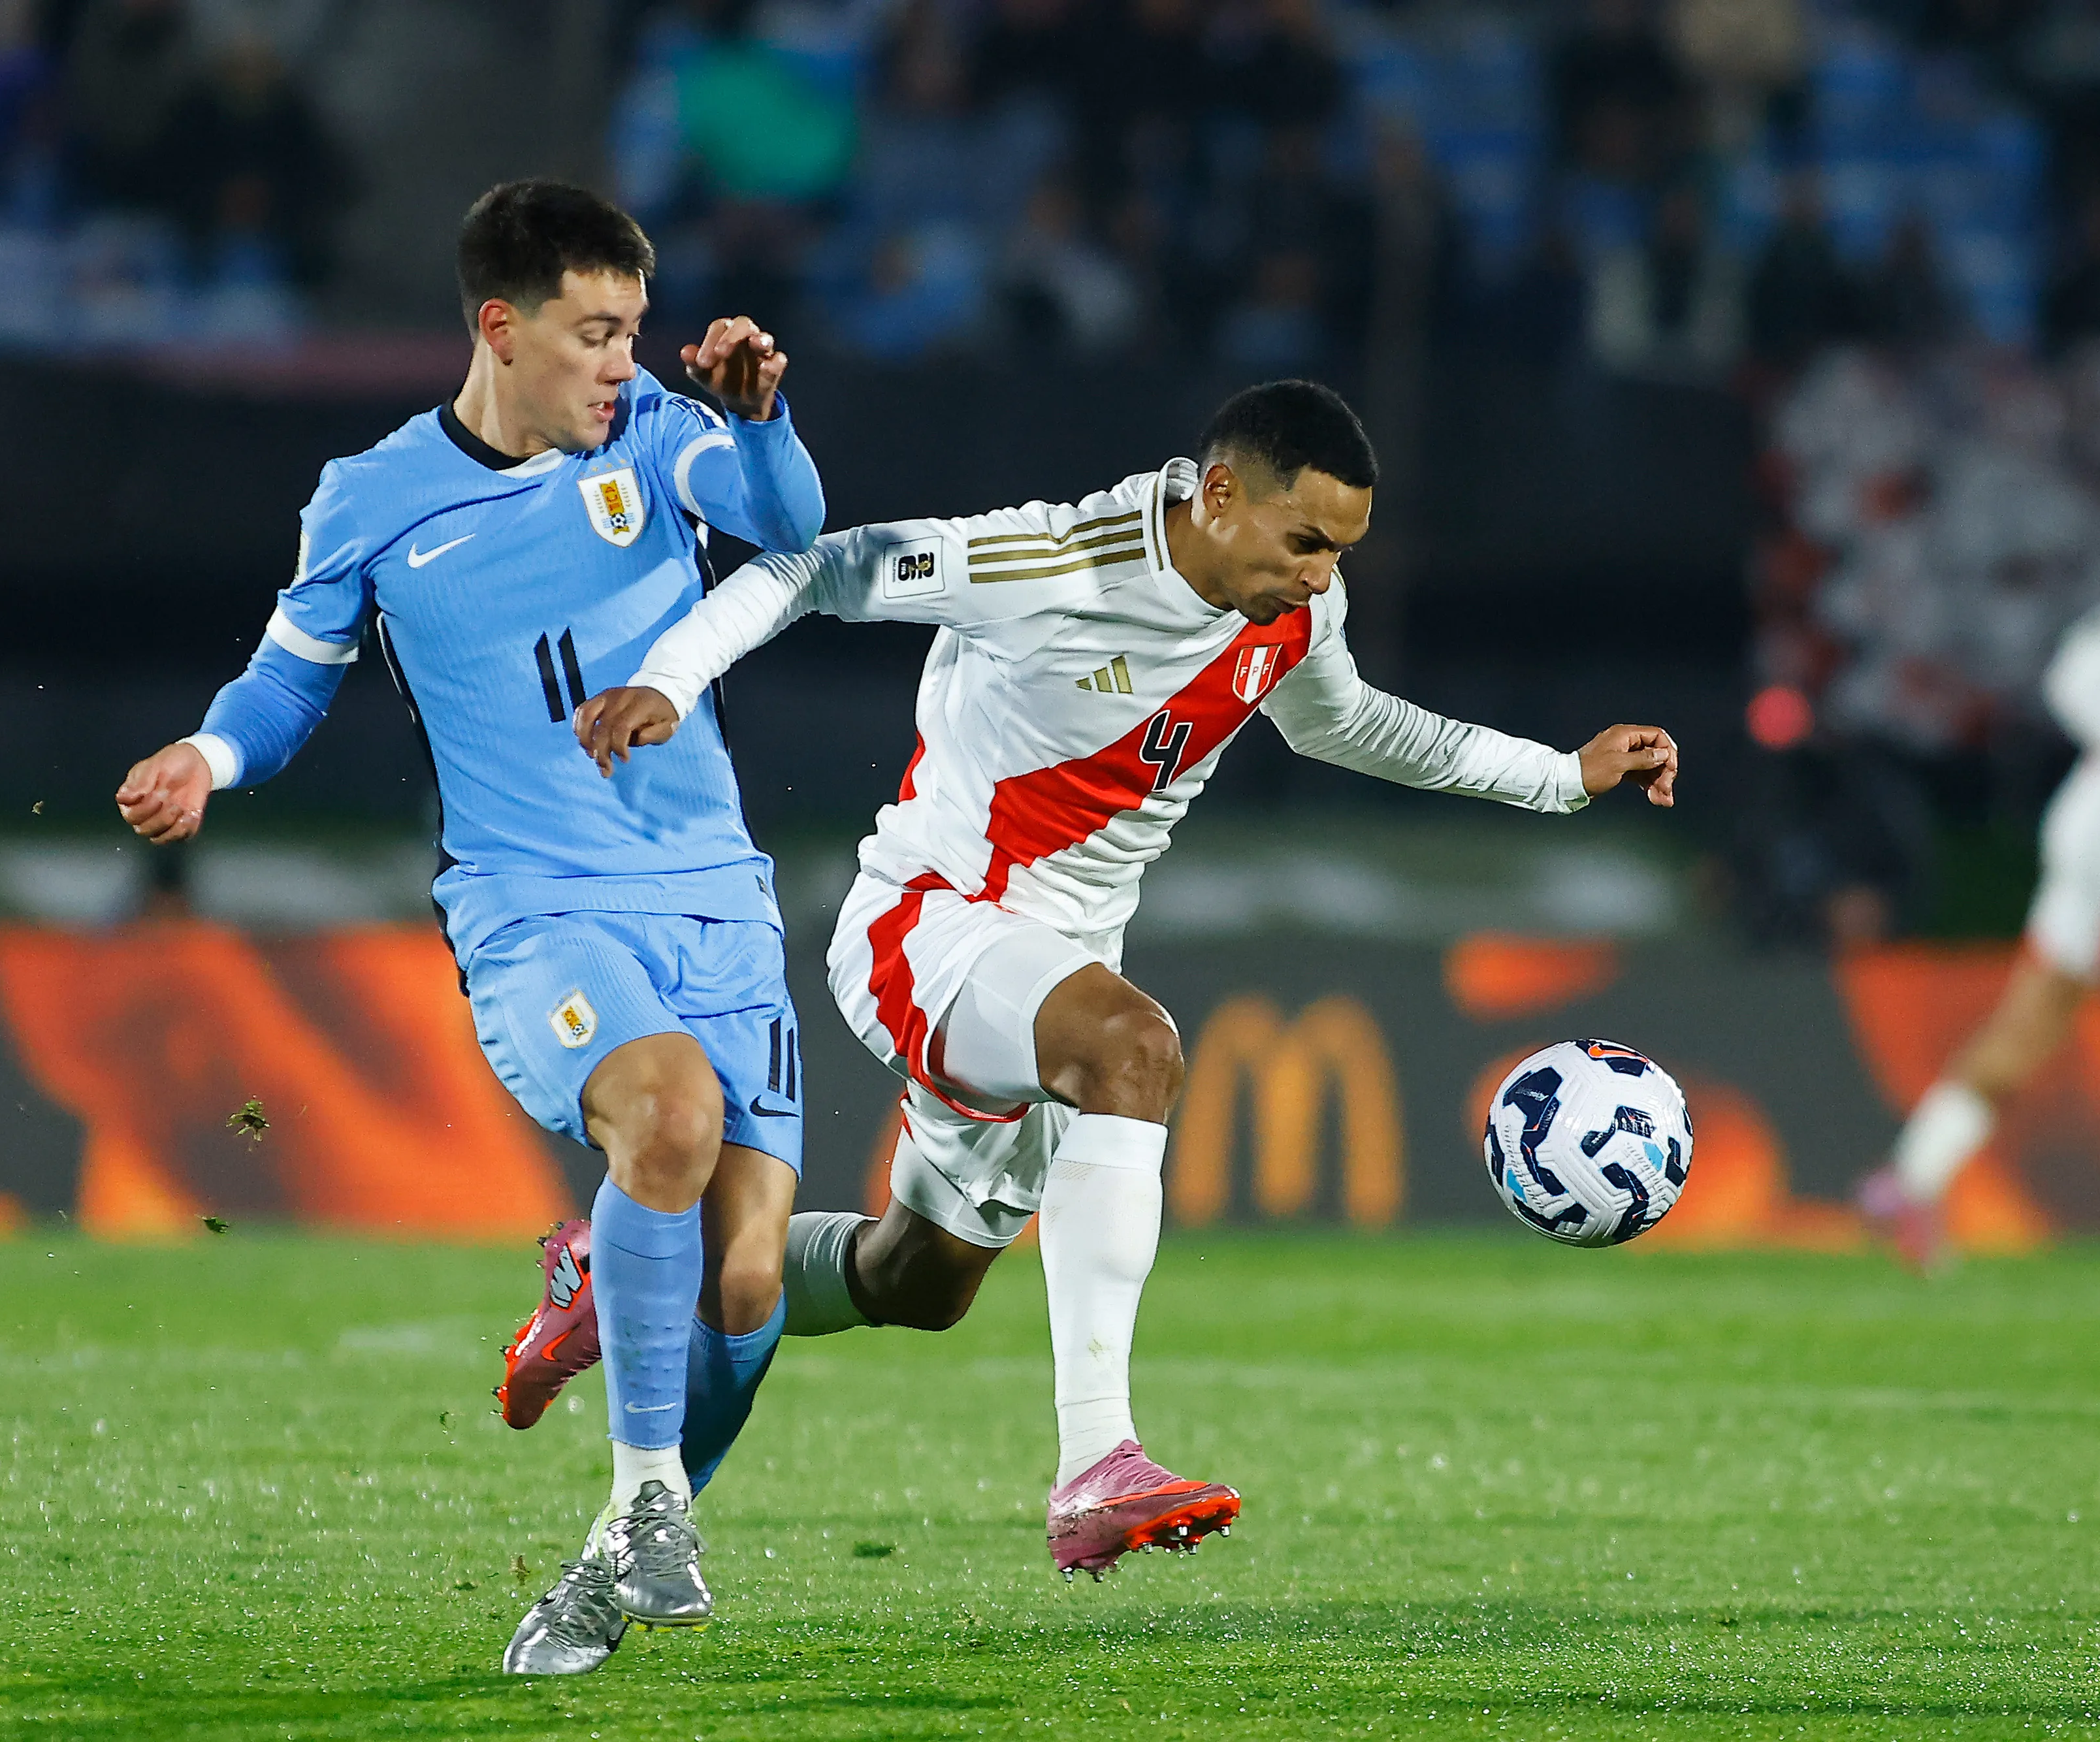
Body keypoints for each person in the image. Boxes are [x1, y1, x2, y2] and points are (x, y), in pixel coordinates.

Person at [568, 379, 1681, 1578]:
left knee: (919, 1280)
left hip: (1054, 968)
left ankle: (631, 1262)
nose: (1321, 575)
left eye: (1342, 551)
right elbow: (812, 569)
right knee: (1134, 1049)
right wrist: (672, 680)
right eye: (1304, 540)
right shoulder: (1052, 560)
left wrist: (1559, 776)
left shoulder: (1293, 610)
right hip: (931, 923)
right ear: (1217, 494)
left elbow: (1348, 723)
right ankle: (1098, 1459)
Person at [110, 181, 824, 1677]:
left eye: (634, 331)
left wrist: (757, 419)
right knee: (670, 1123)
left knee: (747, 1289)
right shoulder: (370, 498)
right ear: (501, 328)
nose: (622, 363)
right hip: (536, 910)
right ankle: (643, 1505)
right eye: (594, 334)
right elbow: (286, 682)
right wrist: (209, 757)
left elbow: (786, 525)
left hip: (716, 897)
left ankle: (599, 1465)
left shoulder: (654, 437)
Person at [1858, 560, 2100, 1271]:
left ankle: (1913, 1177)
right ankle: (1912, 1182)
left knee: (2034, 1020)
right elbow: (2076, 675)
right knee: (2041, 1013)